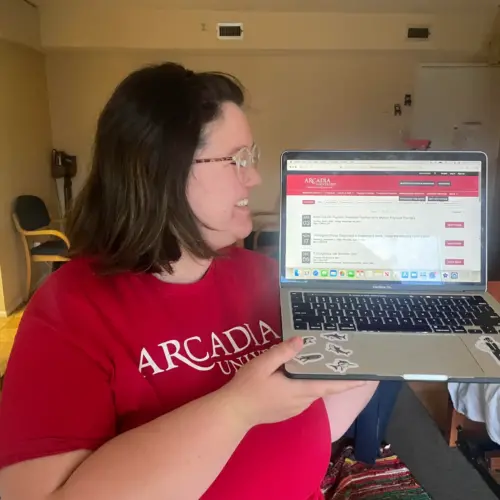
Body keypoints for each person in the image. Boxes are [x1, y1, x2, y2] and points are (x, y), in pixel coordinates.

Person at [0, 62, 378, 500]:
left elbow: (319, 423)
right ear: (163, 170)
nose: (253, 176)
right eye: (237, 159)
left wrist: (374, 343)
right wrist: (237, 408)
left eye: (251, 157)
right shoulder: (69, 310)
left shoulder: (261, 275)